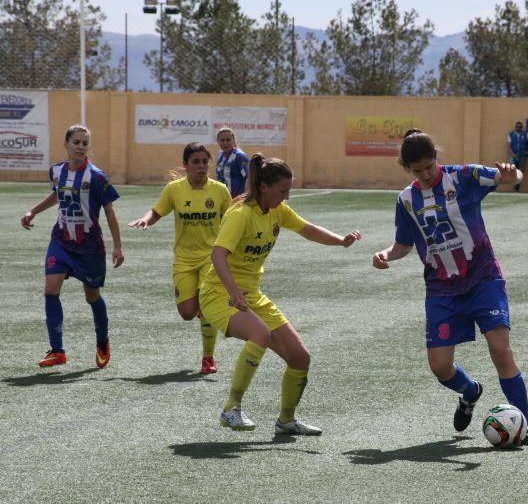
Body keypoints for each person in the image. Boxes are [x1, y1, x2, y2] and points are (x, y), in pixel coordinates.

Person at [372, 128, 528, 446]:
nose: (425, 174)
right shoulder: (406, 200)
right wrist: (386, 255)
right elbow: (403, 244)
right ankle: (470, 392)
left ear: (437, 157)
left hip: (483, 279)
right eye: (417, 170)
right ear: (406, 169)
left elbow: (512, 176)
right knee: (440, 367)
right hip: (441, 291)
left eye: (429, 166)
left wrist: (512, 173)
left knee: (500, 350)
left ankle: (527, 425)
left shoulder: (464, 176)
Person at [202, 154, 361, 432]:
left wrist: (341, 241)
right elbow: (218, 255)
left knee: (301, 357)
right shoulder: (241, 214)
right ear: (264, 187)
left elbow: (308, 230)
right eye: (283, 191)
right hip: (219, 293)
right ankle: (231, 409)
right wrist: (233, 291)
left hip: (251, 294)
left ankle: (286, 421)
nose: (286, 197)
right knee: (260, 334)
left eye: (289, 191)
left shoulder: (277, 211)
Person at [20, 124, 124, 368]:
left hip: (89, 247)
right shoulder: (56, 170)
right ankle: (58, 351)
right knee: (50, 289)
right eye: (76, 142)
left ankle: (102, 342)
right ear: (66, 144)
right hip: (61, 241)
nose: (80, 147)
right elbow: (57, 194)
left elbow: (109, 210)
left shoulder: (97, 176)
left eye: (85, 143)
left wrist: (118, 246)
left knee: (92, 297)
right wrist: (33, 211)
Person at [128, 143, 232, 375]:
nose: (201, 166)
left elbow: (232, 219)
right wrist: (146, 219)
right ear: (185, 165)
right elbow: (156, 211)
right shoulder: (174, 189)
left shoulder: (220, 190)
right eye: (195, 162)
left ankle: (208, 358)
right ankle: (204, 313)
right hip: (184, 260)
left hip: (210, 258)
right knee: (187, 313)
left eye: (205, 162)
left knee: (205, 307)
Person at [216, 127, 249, 198]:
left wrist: (244, 198)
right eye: (222, 140)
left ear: (233, 140)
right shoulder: (220, 154)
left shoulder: (239, 156)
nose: (225, 143)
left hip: (236, 200)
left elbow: (249, 179)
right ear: (218, 141)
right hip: (222, 199)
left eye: (228, 140)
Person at [506, 121, 528, 192]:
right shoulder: (511, 134)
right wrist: (512, 154)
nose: (518, 128)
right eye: (517, 127)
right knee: (513, 171)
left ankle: (517, 187)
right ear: (515, 127)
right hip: (513, 155)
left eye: (520, 127)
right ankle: (515, 185)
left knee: (520, 171)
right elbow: (508, 145)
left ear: (522, 127)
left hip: (522, 155)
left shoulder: (525, 134)